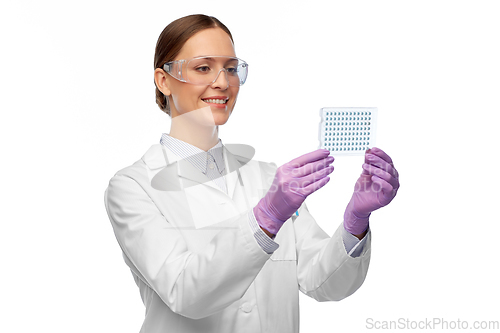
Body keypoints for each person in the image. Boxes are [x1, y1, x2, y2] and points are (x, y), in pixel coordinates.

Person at [104, 14, 400, 333]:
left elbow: (322, 282)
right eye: (203, 67)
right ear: (163, 80)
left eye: (231, 68)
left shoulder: (268, 179)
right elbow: (185, 291)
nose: (222, 82)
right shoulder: (133, 187)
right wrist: (267, 218)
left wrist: (356, 220)